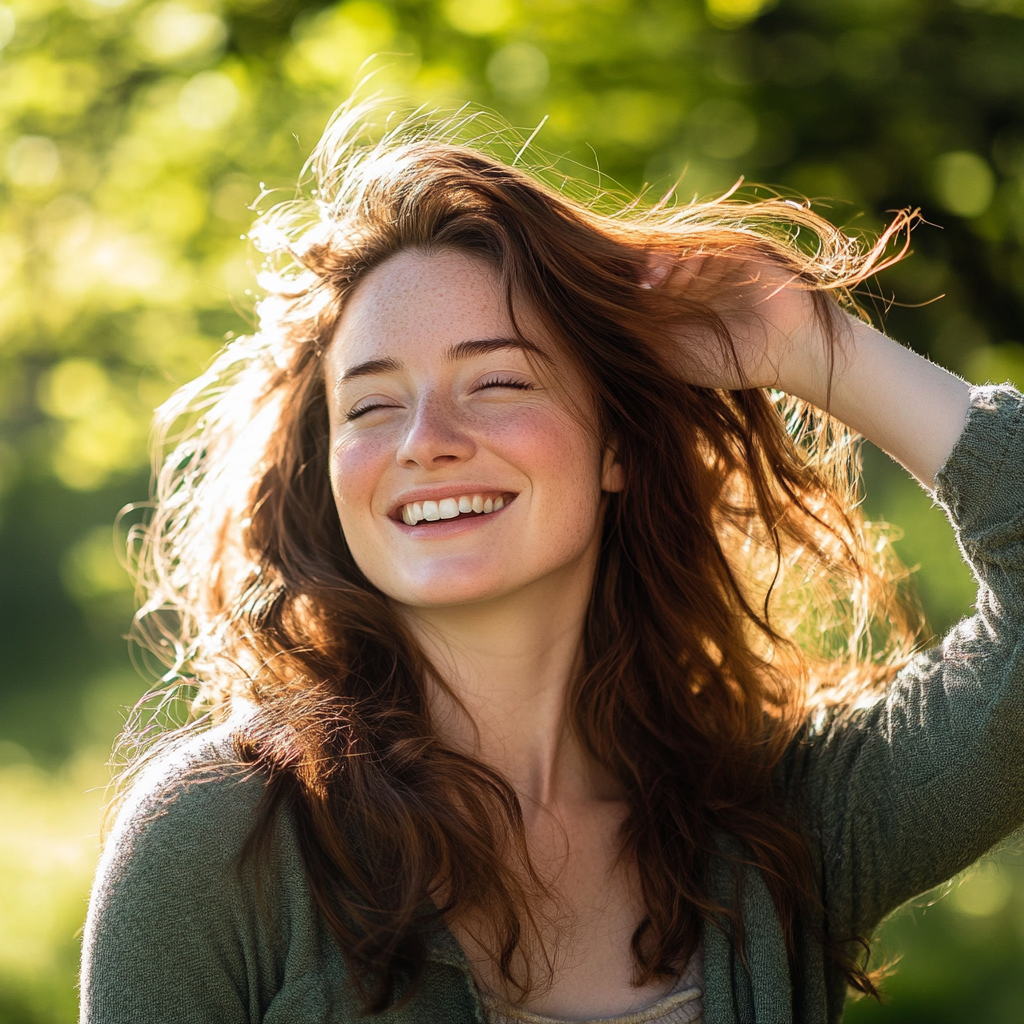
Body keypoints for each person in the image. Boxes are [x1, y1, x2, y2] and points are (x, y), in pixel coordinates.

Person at [79, 104, 1024, 1024]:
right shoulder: (220, 845)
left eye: (496, 381)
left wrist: (810, 346)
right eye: (371, 406)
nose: (425, 441)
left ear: (615, 447)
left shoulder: (788, 826)